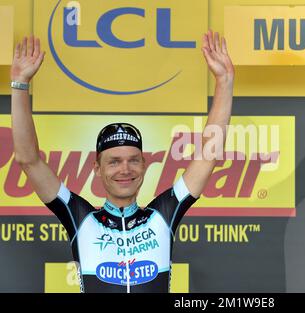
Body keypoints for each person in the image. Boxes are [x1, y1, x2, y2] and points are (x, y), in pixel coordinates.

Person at [10, 30, 234, 293]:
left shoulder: (162, 215)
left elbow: (209, 155)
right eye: (114, 161)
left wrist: (224, 80)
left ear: (144, 165)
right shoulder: (81, 219)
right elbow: (28, 160)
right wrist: (20, 84)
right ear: (97, 168)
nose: (125, 169)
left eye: (133, 160)